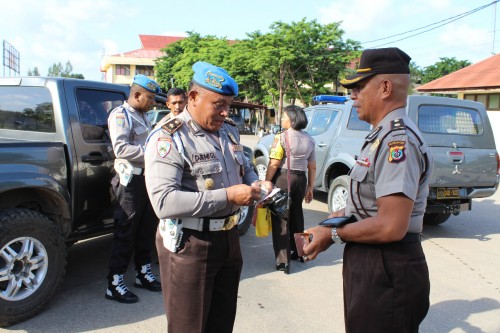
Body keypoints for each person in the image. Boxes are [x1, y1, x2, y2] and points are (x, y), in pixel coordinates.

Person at [303, 47, 433, 332]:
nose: (353, 96)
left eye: (359, 88)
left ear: (385, 87)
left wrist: (333, 234)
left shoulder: (397, 140)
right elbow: (366, 205)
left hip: (388, 265)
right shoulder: (381, 135)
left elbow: (390, 226)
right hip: (373, 262)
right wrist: (328, 223)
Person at [144, 61, 273, 332]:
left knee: (221, 323)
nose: (226, 113)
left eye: (229, 105)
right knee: (189, 327)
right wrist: (228, 196)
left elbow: (245, 167)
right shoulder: (169, 137)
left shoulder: (228, 130)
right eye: (218, 104)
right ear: (193, 97)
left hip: (229, 240)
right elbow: (164, 202)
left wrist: (257, 184)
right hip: (191, 244)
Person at [105, 74, 162, 303]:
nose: (153, 102)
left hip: (146, 180)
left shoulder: (144, 116)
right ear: (136, 95)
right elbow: (121, 149)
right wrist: (153, 155)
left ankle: (142, 273)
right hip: (130, 183)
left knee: (146, 229)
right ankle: (114, 282)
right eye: (149, 98)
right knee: (125, 232)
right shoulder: (120, 115)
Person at [264, 105, 316, 274]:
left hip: (284, 178)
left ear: (292, 120)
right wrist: (310, 187)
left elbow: (274, 163)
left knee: (281, 218)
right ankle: (302, 252)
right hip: (301, 179)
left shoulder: (282, 137)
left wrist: (266, 181)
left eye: (284, 117)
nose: (281, 120)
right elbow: (312, 166)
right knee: (297, 214)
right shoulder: (309, 139)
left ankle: (283, 261)